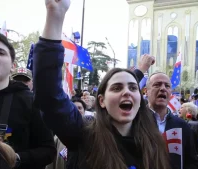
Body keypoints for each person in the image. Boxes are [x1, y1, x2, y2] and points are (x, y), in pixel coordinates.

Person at [33, 0, 170, 169]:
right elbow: (49, 95)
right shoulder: (83, 134)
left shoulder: (153, 141)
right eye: (117, 88)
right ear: (102, 100)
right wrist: (55, 15)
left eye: (133, 87)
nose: (126, 92)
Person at [0, 30, 56, 169]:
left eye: (0, 52)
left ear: (12, 66)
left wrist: (16, 158)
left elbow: (48, 151)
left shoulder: (31, 101)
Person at [145, 72, 198, 169]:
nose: (163, 88)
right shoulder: (135, 121)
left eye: (167, 86)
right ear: (146, 91)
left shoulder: (182, 125)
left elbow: (192, 162)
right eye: (157, 85)